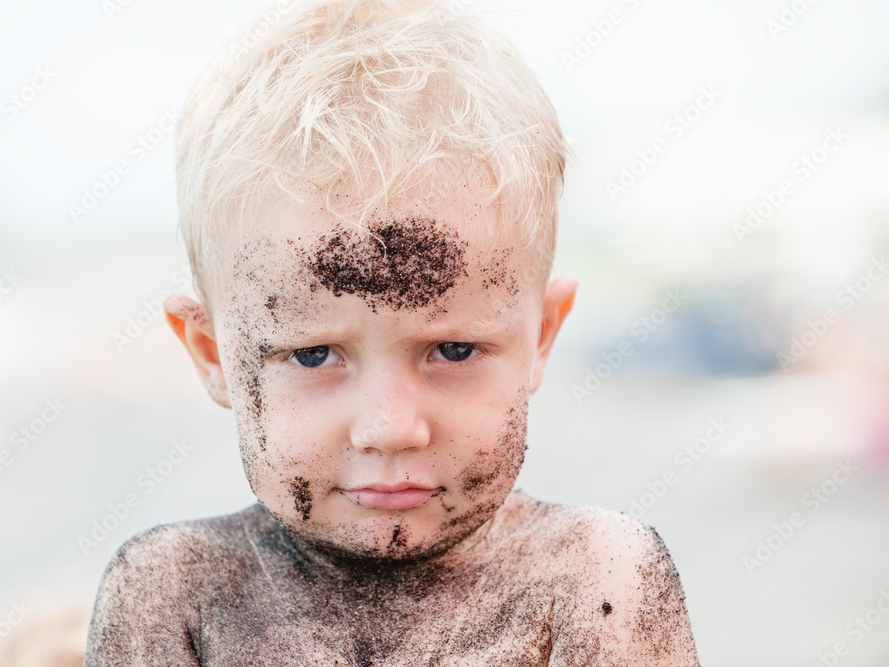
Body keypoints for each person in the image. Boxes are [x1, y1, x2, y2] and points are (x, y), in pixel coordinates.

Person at [83, 0, 700, 663]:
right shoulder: (174, 592)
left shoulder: (594, 578)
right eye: (314, 354)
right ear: (212, 354)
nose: (389, 426)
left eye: (454, 349)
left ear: (540, 337)